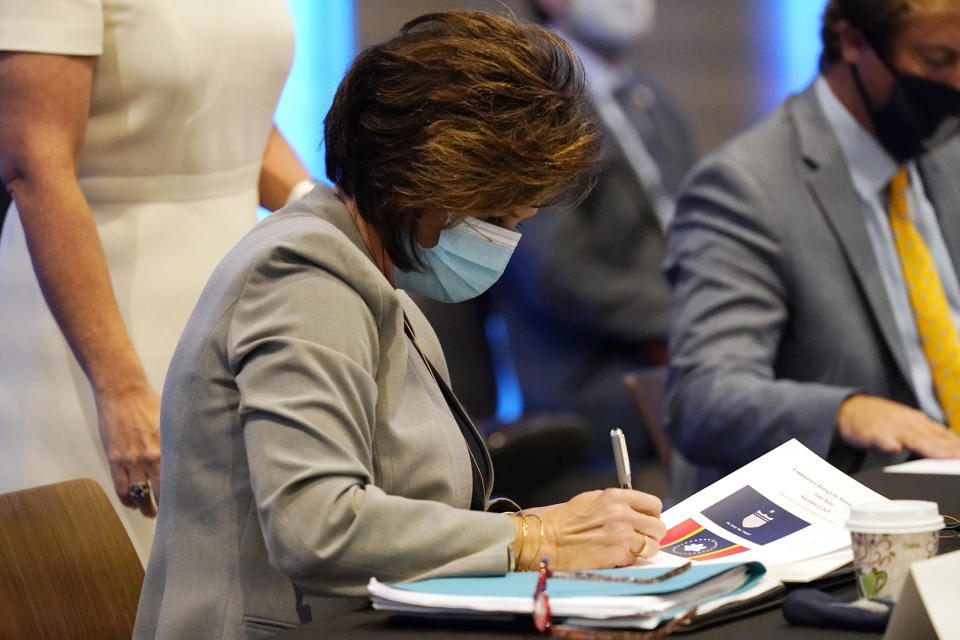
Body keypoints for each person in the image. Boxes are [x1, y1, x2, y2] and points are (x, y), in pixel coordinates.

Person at [132, 12, 667, 638]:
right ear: (425, 186)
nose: (507, 239)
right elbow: (318, 527)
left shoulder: (381, 282)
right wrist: (531, 537)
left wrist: (544, 527)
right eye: (500, 217)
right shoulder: (302, 274)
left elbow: (411, 507)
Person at [0, 0, 312, 563]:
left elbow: (226, 113)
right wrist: (119, 387)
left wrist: (322, 217)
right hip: (101, 324)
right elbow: (36, 166)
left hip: (231, 303)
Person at [664, 0, 960, 491]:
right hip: (857, 501)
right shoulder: (747, 186)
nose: (956, 82)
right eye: (936, 60)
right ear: (852, 41)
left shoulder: (943, 149)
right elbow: (701, 400)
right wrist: (847, 410)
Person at [484, 0, 696, 466]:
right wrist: (689, 314)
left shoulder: (651, 100)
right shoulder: (534, 106)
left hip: (681, 362)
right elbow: (558, 276)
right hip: (595, 387)